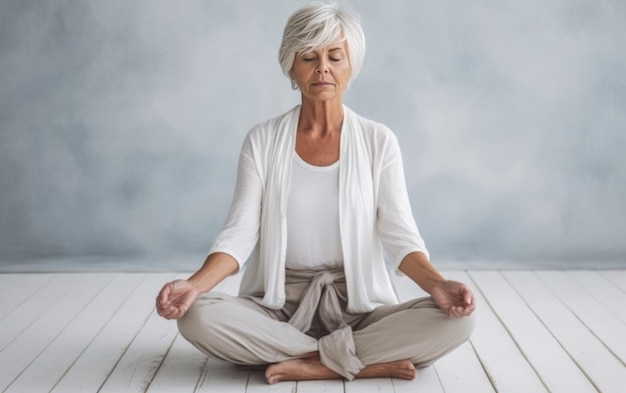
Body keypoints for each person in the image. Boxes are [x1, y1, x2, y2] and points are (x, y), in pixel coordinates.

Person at [156, 1, 475, 384]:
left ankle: (309, 362)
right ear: (291, 67)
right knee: (197, 315)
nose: (323, 67)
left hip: (359, 308)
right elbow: (238, 235)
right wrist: (193, 285)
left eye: (335, 56)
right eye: (308, 56)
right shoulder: (262, 140)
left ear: (350, 66)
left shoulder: (378, 141)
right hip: (277, 308)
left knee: (457, 323)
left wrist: (439, 286)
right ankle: (359, 362)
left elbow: (401, 239)